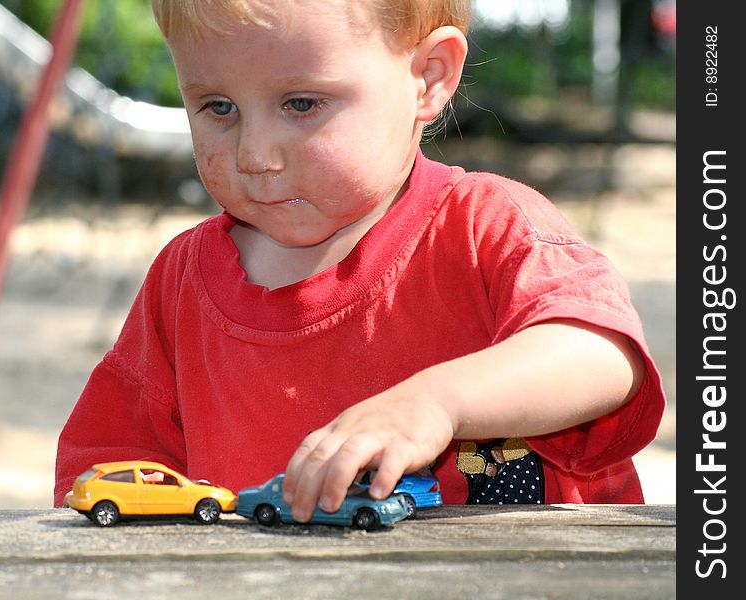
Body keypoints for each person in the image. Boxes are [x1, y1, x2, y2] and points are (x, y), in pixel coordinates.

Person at [54, 0, 665, 522]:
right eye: (218, 108)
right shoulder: (182, 283)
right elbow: (112, 478)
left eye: (300, 104)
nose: (254, 154)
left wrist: (437, 403)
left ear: (426, 77)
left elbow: (603, 356)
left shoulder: (484, 226)